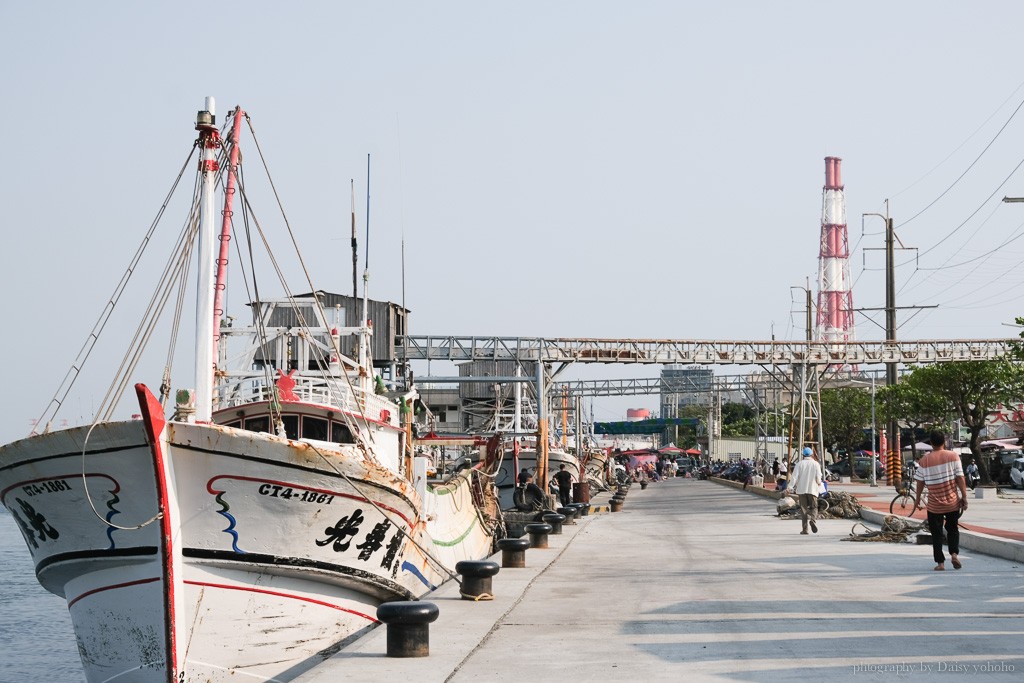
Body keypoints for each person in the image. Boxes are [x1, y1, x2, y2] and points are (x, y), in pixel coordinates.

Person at [913, 430, 968, 571]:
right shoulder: (953, 456)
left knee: (936, 534)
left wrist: (917, 499)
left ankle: (940, 563)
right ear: (944, 441)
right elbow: (960, 478)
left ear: (931, 443)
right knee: (953, 529)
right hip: (952, 502)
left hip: (934, 505)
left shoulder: (924, 460)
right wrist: (964, 496)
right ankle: (954, 554)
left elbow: (920, 482)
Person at [788, 447, 823, 534]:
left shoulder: (799, 464)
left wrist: (789, 488)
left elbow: (794, 477)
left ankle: (805, 529)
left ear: (803, 455)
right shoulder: (816, 464)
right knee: (814, 507)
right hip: (813, 490)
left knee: (803, 510)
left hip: (801, 490)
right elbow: (819, 478)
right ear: (811, 455)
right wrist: (819, 483)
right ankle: (813, 520)